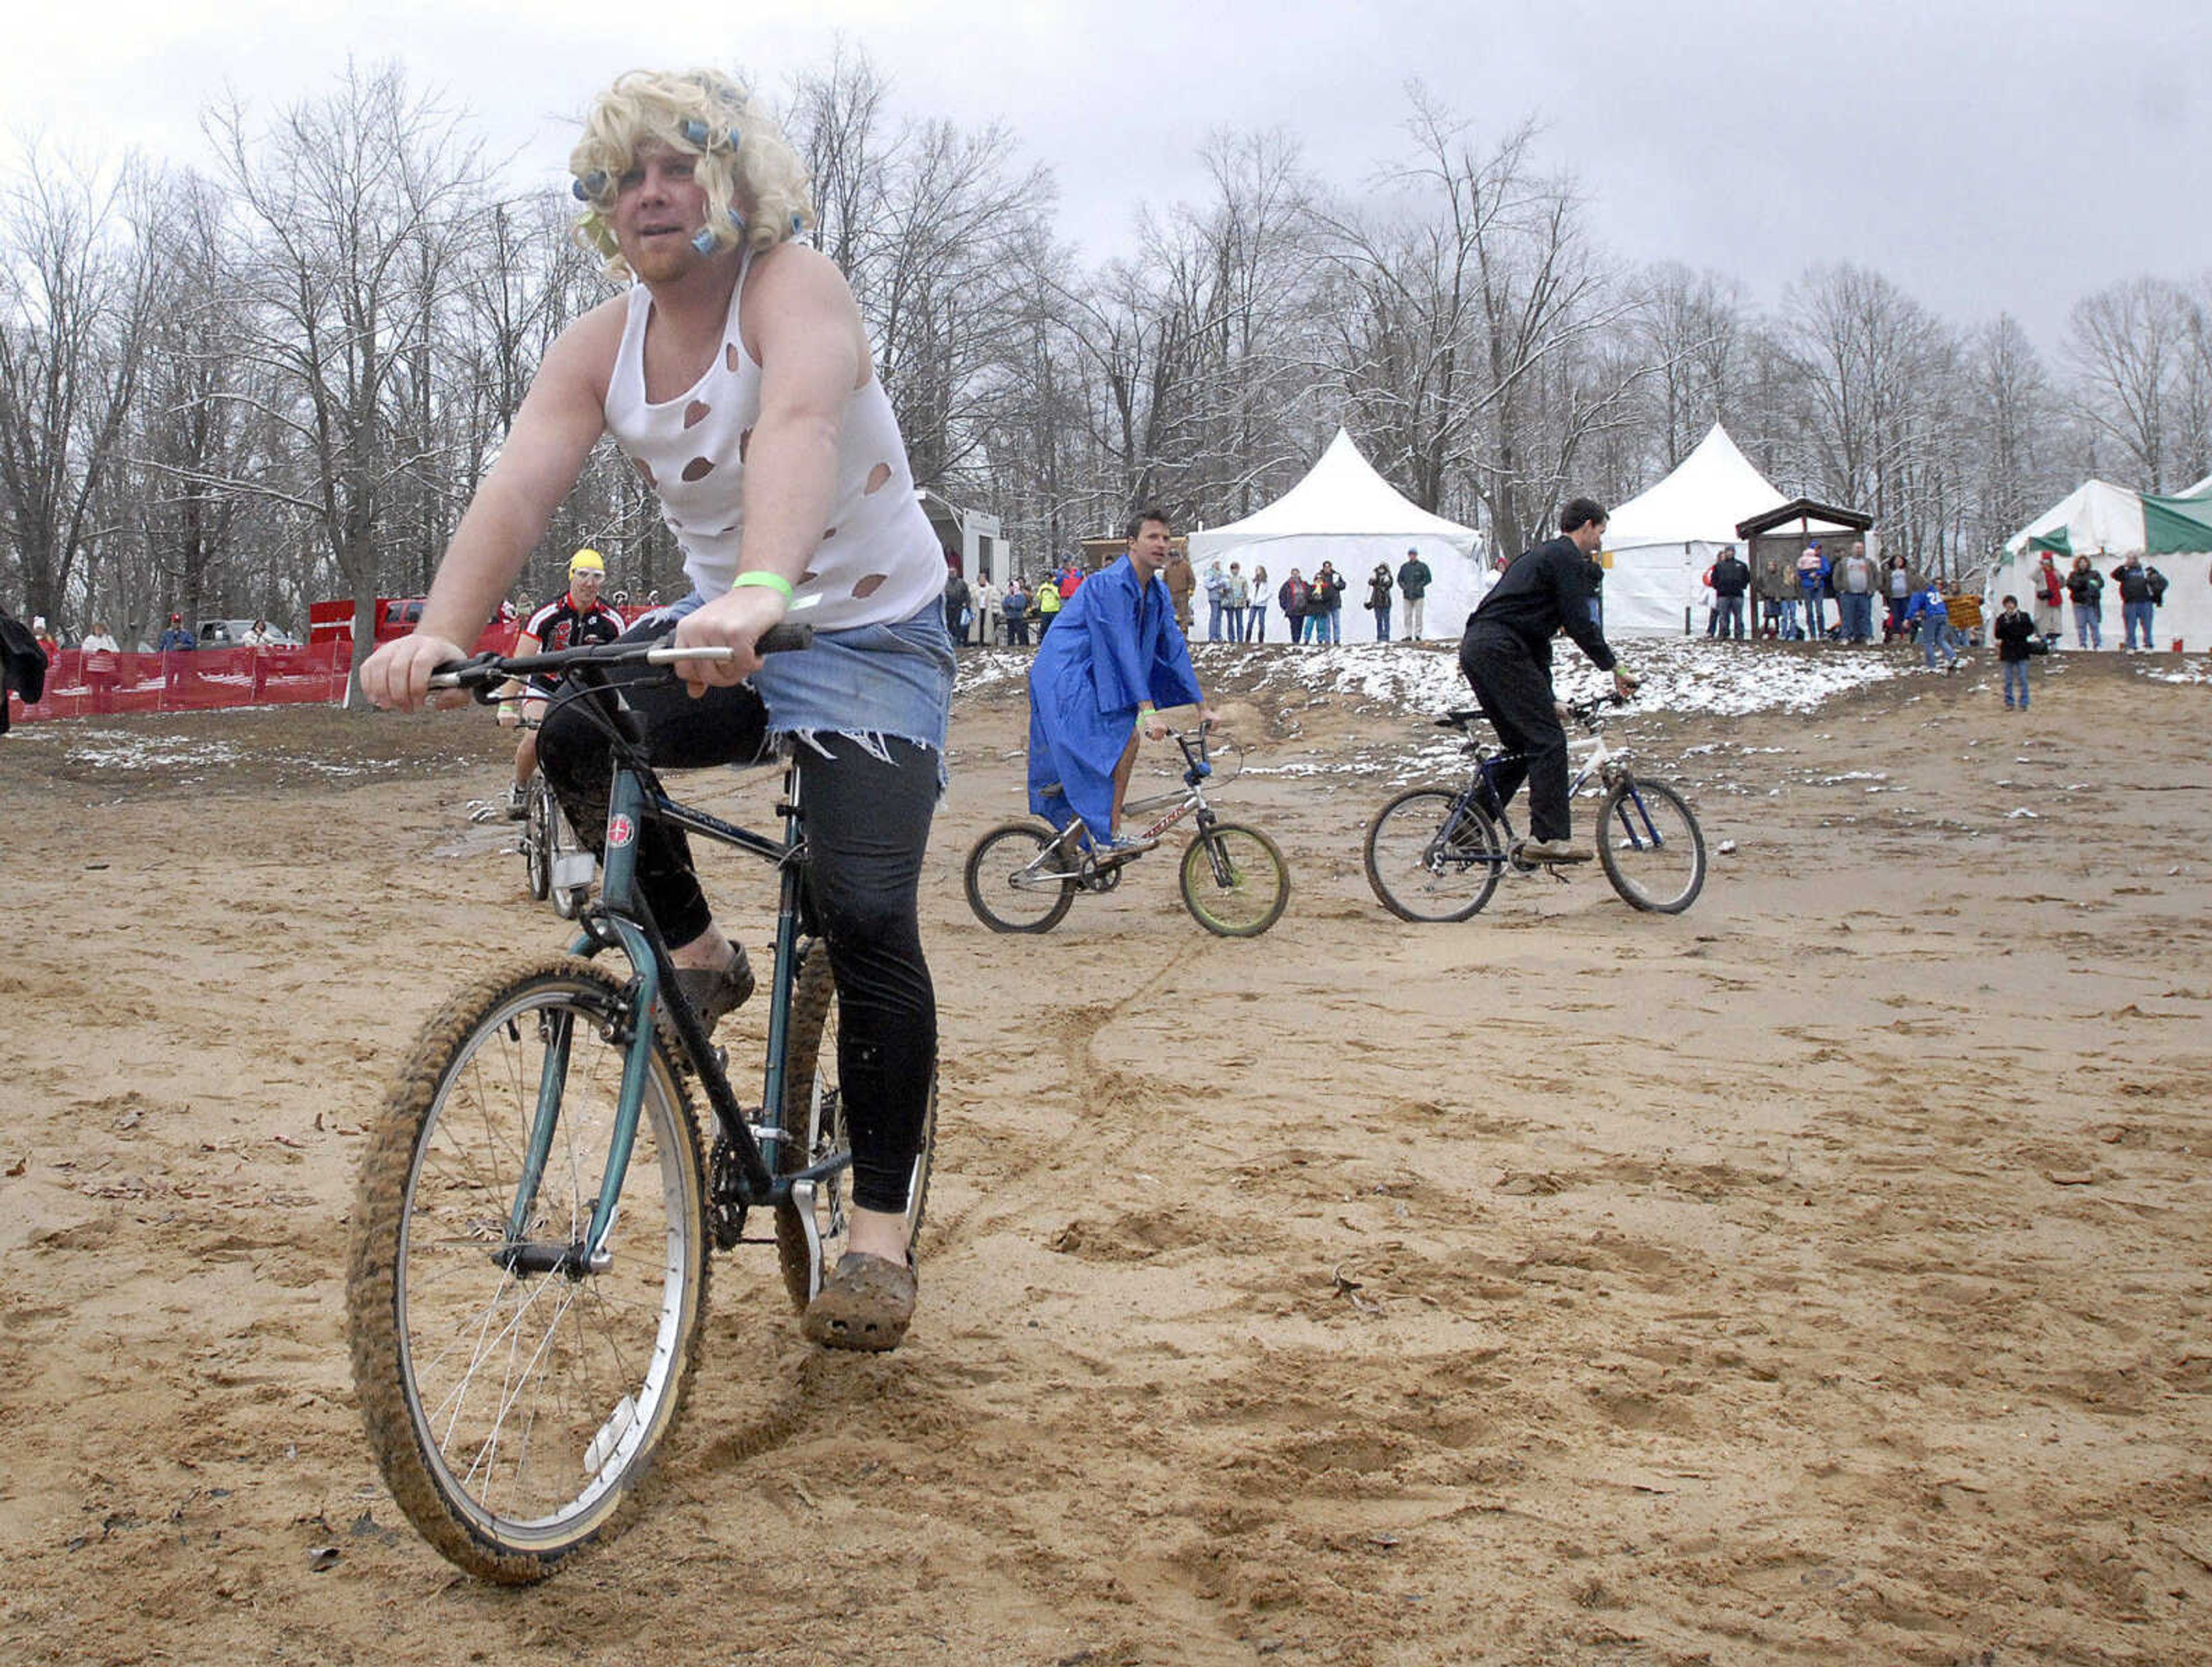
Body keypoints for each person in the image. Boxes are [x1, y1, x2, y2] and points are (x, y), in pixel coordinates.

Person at [359, 67, 952, 1352]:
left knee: (861, 908)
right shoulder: (600, 343)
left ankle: (880, 1233)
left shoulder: (794, 285)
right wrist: (444, 632)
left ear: (735, 183)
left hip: (864, 632)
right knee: (571, 732)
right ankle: (693, 957)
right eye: (625, 177)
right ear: (602, 207)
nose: (652, 194)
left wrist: (755, 588)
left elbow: (796, 423)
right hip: (723, 627)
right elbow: (519, 483)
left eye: (679, 166)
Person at [1027, 507, 1214, 858]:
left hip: (1095, 672)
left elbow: (1173, 647)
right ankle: (1108, 833)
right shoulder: (1110, 585)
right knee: (1123, 737)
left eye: (1166, 538)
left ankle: (1074, 841)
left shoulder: (1155, 593)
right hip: (1066, 672)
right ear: (1132, 543)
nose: (1162, 544)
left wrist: (1202, 706)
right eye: (1152, 537)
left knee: (1122, 741)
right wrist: (1147, 711)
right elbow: (1122, 646)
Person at [1458, 498, 1637, 863]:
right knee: (1548, 740)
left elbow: (1536, 645)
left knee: (1521, 748)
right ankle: (1549, 839)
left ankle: (1467, 828)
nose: (1600, 542)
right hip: (1499, 649)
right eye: (1601, 532)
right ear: (1587, 526)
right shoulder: (1567, 558)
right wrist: (1614, 668)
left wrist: (1548, 697)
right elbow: (1580, 624)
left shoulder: (1539, 558)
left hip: (1480, 648)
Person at [498, 549, 627, 816]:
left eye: (597, 577)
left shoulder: (611, 620)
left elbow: (624, 667)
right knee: (535, 737)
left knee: (601, 745)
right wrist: (507, 706)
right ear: (571, 576)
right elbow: (520, 660)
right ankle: (521, 785)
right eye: (582, 575)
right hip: (546, 685)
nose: (589, 583)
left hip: (587, 690)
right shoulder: (547, 614)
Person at [2109, 553, 2166, 651]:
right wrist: (2124, 566)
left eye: (2134, 558)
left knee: (2147, 626)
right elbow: (2114, 575)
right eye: (2130, 559)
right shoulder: (2125, 572)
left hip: (2146, 602)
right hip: (2130, 603)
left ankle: (2148, 645)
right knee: (2130, 626)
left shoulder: (2146, 570)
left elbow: (2162, 582)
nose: (2132, 561)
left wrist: (2156, 592)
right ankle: (2131, 646)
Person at [1992, 593, 2036, 710]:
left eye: (2011, 603)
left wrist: (2012, 630)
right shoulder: (2001, 619)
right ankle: (2009, 702)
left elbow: (2029, 629)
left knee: (2023, 678)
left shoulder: (2024, 616)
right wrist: (2013, 630)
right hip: (2008, 651)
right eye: (2007, 604)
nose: (2010, 606)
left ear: (2015, 605)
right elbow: (1998, 634)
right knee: (2008, 680)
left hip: (2022, 650)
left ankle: (2024, 703)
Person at [1906, 584, 1958, 672]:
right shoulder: (1934, 590)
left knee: (1928, 642)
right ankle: (1952, 656)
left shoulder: (1919, 592)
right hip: (1943, 614)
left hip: (1931, 616)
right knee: (1940, 639)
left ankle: (1932, 665)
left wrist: (1907, 618)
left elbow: (1913, 606)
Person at [1833, 541, 1878, 644]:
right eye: (1857, 548)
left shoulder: (1869, 563)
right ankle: (1846, 637)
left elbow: (1876, 576)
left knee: (1865, 616)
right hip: (1848, 594)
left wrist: (1872, 588)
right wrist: (1840, 589)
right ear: (1852, 549)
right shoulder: (1844, 562)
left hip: (1864, 594)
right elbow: (1836, 577)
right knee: (1847, 616)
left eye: (1861, 548)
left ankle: (1867, 637)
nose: (1859, 550)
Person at [1707, 544, 1751, 640]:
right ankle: (1724, 634)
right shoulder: (1719, 566)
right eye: (1728, 551)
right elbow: (1714, 579)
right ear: (1725, 552)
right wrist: (1719, 587)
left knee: (1738, 616)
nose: (1730, 553)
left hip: (1737, 594)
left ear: (1734, 553)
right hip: (1723, 595)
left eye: (1732, 551)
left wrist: (1742, 586)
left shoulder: (1741, 565)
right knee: (1723, 616)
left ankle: (1739, 635)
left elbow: (1747, 578)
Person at [2065, 555, 2104, 650]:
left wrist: (2091, 584)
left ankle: (2097, 644)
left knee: (2094, 624)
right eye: (2081, 562)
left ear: (2088, 563)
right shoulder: (2073, 575)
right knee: (2081, 625)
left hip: (2091, 603)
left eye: (2084, 562)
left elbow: (2100, 583)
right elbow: (2071, 585)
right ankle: (2082, 644)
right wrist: (2085, 584)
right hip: (2079, 603)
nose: (2083, 564)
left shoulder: (2094, 574)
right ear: (2077, 564)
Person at [80, 622, 120, 713]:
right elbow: (85, 651)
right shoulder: (90, 639)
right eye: (97, 629)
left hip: (108, 669)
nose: (99, 631)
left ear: (104, 630)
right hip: (94, 669)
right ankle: (96, 708)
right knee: (96, 691)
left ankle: (108, 708)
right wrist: (96, 652)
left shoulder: (109, 639)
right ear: (94, 630)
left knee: (107, 689)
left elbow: (117, 651)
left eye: (101, 629)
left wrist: (109, 652)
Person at [155, 613, 196, 697]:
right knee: (169, 682)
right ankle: (169, 699)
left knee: (182, 683)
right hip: (170, 662)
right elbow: (161, 647)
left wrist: (183, 646)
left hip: (183, 662)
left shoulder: (186, 633)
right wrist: (159, 658)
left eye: (178, 622)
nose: (176, 624)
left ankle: (182, 699)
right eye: (175, 622)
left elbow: (192, 645)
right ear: (172, 622)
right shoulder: (167, 633)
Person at [1796, 543, 1830, 640]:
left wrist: (1817, 573)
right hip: (1807, 587)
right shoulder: (1803, 560)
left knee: (1819, 610)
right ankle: (1813, 634)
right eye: (1816, 549)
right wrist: (1808, 575)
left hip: (1819, 586)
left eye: (1819, 549)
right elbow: (1800, 572)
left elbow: (1827, 571)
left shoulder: (1822, 559)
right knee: (1809, 611)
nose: (1818, 551)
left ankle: (1822, 633)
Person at [1396, 548, 1431, 641]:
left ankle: (1418, 634)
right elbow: (1399, 579)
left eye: (1414, 554)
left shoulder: (1423, 566)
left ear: (1416, 555)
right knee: (1407, 615)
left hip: (1419, 595)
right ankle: (1408, 635)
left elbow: (1428, 578)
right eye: (1411, 554)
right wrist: (1404, 587)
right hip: (1407, 596)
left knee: (1419, 615)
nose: (1412, 556)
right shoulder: (1404, 567)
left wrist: (1420, 585)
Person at [2030, 551, 2066, 640]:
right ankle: (2042, 640)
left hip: (2055, 599)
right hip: (2043, 600)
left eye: (2049, 561)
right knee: (2043, 622)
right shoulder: (2040, 572)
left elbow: (2062, 584)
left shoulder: (2056, 572)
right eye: (2045, 561)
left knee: (2054, 623)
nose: (2047, 564)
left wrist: (2062, 578)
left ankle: (2053, 641)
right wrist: (2040, 567)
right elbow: (2033, 577)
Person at [1163, 547, 1195, 635]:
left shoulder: (1185, 566)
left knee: (1183, 615)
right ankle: (1172, 635)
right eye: (1171, 556)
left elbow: (1192, 579)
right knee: (1171, 615)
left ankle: (1184, 635)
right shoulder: (1168, 566)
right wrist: (1164, 592)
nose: (1173, 558)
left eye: (1175, 556)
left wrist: (1191, 589)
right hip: (1170, 594)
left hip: (1183, 593)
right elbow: (1164, 581)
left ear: (1178, 556)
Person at [1312, 562, 1344, 644]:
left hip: (1335, 602)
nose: (1327, 568)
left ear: (1331, 567)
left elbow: (1344, 585)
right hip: (1325, 603)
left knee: (1336, 623)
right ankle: (1327, 641)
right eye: (1325, 567)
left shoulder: (1336, 575)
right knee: (1326, 624)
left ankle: (1337, 640)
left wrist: (1338, 585)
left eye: (1328, 567)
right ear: (1323, 567)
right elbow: (1315, 586)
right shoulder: (1319, 576)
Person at [942, 559, 971, 647]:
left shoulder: (962, 583)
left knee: (959, 625)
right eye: (950, 572)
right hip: (948, 607)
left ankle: (959, 641)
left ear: (957, 572)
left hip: (959, 607)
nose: (952, 573)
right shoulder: (944, 583)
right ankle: (949, 641)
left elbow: (967, 595)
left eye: (953, 572)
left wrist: (967, 605)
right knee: (949, 624)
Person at [1278, 567, 1309, 643]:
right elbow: (1281, 595)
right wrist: (1284, 606)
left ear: (1299, 574)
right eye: (1294, 574)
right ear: (1291, 575)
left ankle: (1298, 641)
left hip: (1302, 609)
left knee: (1300, 626)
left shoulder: (1304, 584)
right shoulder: (1287, 584)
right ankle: (1294, 641)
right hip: (1292, 610)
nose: (1295, 575)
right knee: (1294, 626)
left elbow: (1309, 593)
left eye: (1297, 574)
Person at [1366, 562, 1394, 642]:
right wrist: (1373, 579)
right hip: (1377, 601)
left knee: (1386, 619)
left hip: (1386, 602)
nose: (1381, 570)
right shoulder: (1375, 577)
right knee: (1379, 620)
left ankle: (1386, 636)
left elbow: (1390, 584)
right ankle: (1380, 636)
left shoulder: (1388, 577)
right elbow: (1370, 583)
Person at [1001, 577, 1031, 646]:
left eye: (1012, 587)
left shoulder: (1021, 596)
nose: (1011, 588)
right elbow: (1004, 605)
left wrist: (1011, 605)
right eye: (1010, 587)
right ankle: (1010, 645)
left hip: (1018, 617)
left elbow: (1021, 606)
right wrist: (1009, 605)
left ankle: (1022, 645)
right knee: (1010, 633)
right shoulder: (1008, 596)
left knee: (1020, 633)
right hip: (1010, 617)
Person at [974, 573, 1001, 646]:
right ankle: (978, 641)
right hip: (978, 610)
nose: (982, 580)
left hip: (988, 610)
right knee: (978, 627)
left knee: (987, 627)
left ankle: (987, 642)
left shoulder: (992, 589)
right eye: (980, 579)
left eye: (983, 579)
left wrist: (996, 611)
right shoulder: (974, 589)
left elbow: (996, 600)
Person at [1225, 561, 1249, 641]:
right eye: (1233, 569)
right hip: (1230, 603)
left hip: (1239, 603)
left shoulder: (1242, 579)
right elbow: (1223, 591)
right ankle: (1231, 638)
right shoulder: (1227, 579)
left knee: (1240, 622)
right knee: (1230, 622)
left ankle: (1240, 639)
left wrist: (1246, 600)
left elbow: (1246, 590)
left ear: (1239, 570)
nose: (1235, 571)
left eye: (1236, 569)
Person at [1203, 560, 1228, 642]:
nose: (1218, 565)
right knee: (1214, 616)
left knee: (1219, 617)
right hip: (1214, 597)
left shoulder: (1222, 573)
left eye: (1219, 563)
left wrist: (1225, 585)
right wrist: (1217, 583)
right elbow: (1207, 585)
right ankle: (1212, 636)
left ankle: (1219, 635)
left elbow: (1226, 583)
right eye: (1216, 563)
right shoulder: (1209, 573)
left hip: (1221, 597)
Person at [1245, 563, 1270, 641]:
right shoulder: (1254, 582)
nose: (1257, 572)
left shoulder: (1266, 582)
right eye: (1256, 570)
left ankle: (1261, 639)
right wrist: (1249, 599)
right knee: (1250, 621)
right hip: (1253, 604)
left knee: (1261, 622)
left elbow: (1270, 593)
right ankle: (1247, 639)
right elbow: (1250, 592)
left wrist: (1261, 599)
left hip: (1262, 605)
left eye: (1258, 570)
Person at [1033, 573, 1062, 639]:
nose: (1047, 580)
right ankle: (1043, 640)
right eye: (1046, 578)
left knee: (1054, 627)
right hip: (1045, 610)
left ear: (1051, 578)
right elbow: (1039, 597)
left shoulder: (1056, 585)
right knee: (1044, 627)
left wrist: (1052, 591)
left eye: (1048, 578)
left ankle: (1055, 640)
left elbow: (1059, 597)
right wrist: (1042, 592)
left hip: (1054, 610)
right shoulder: (1043, 586)